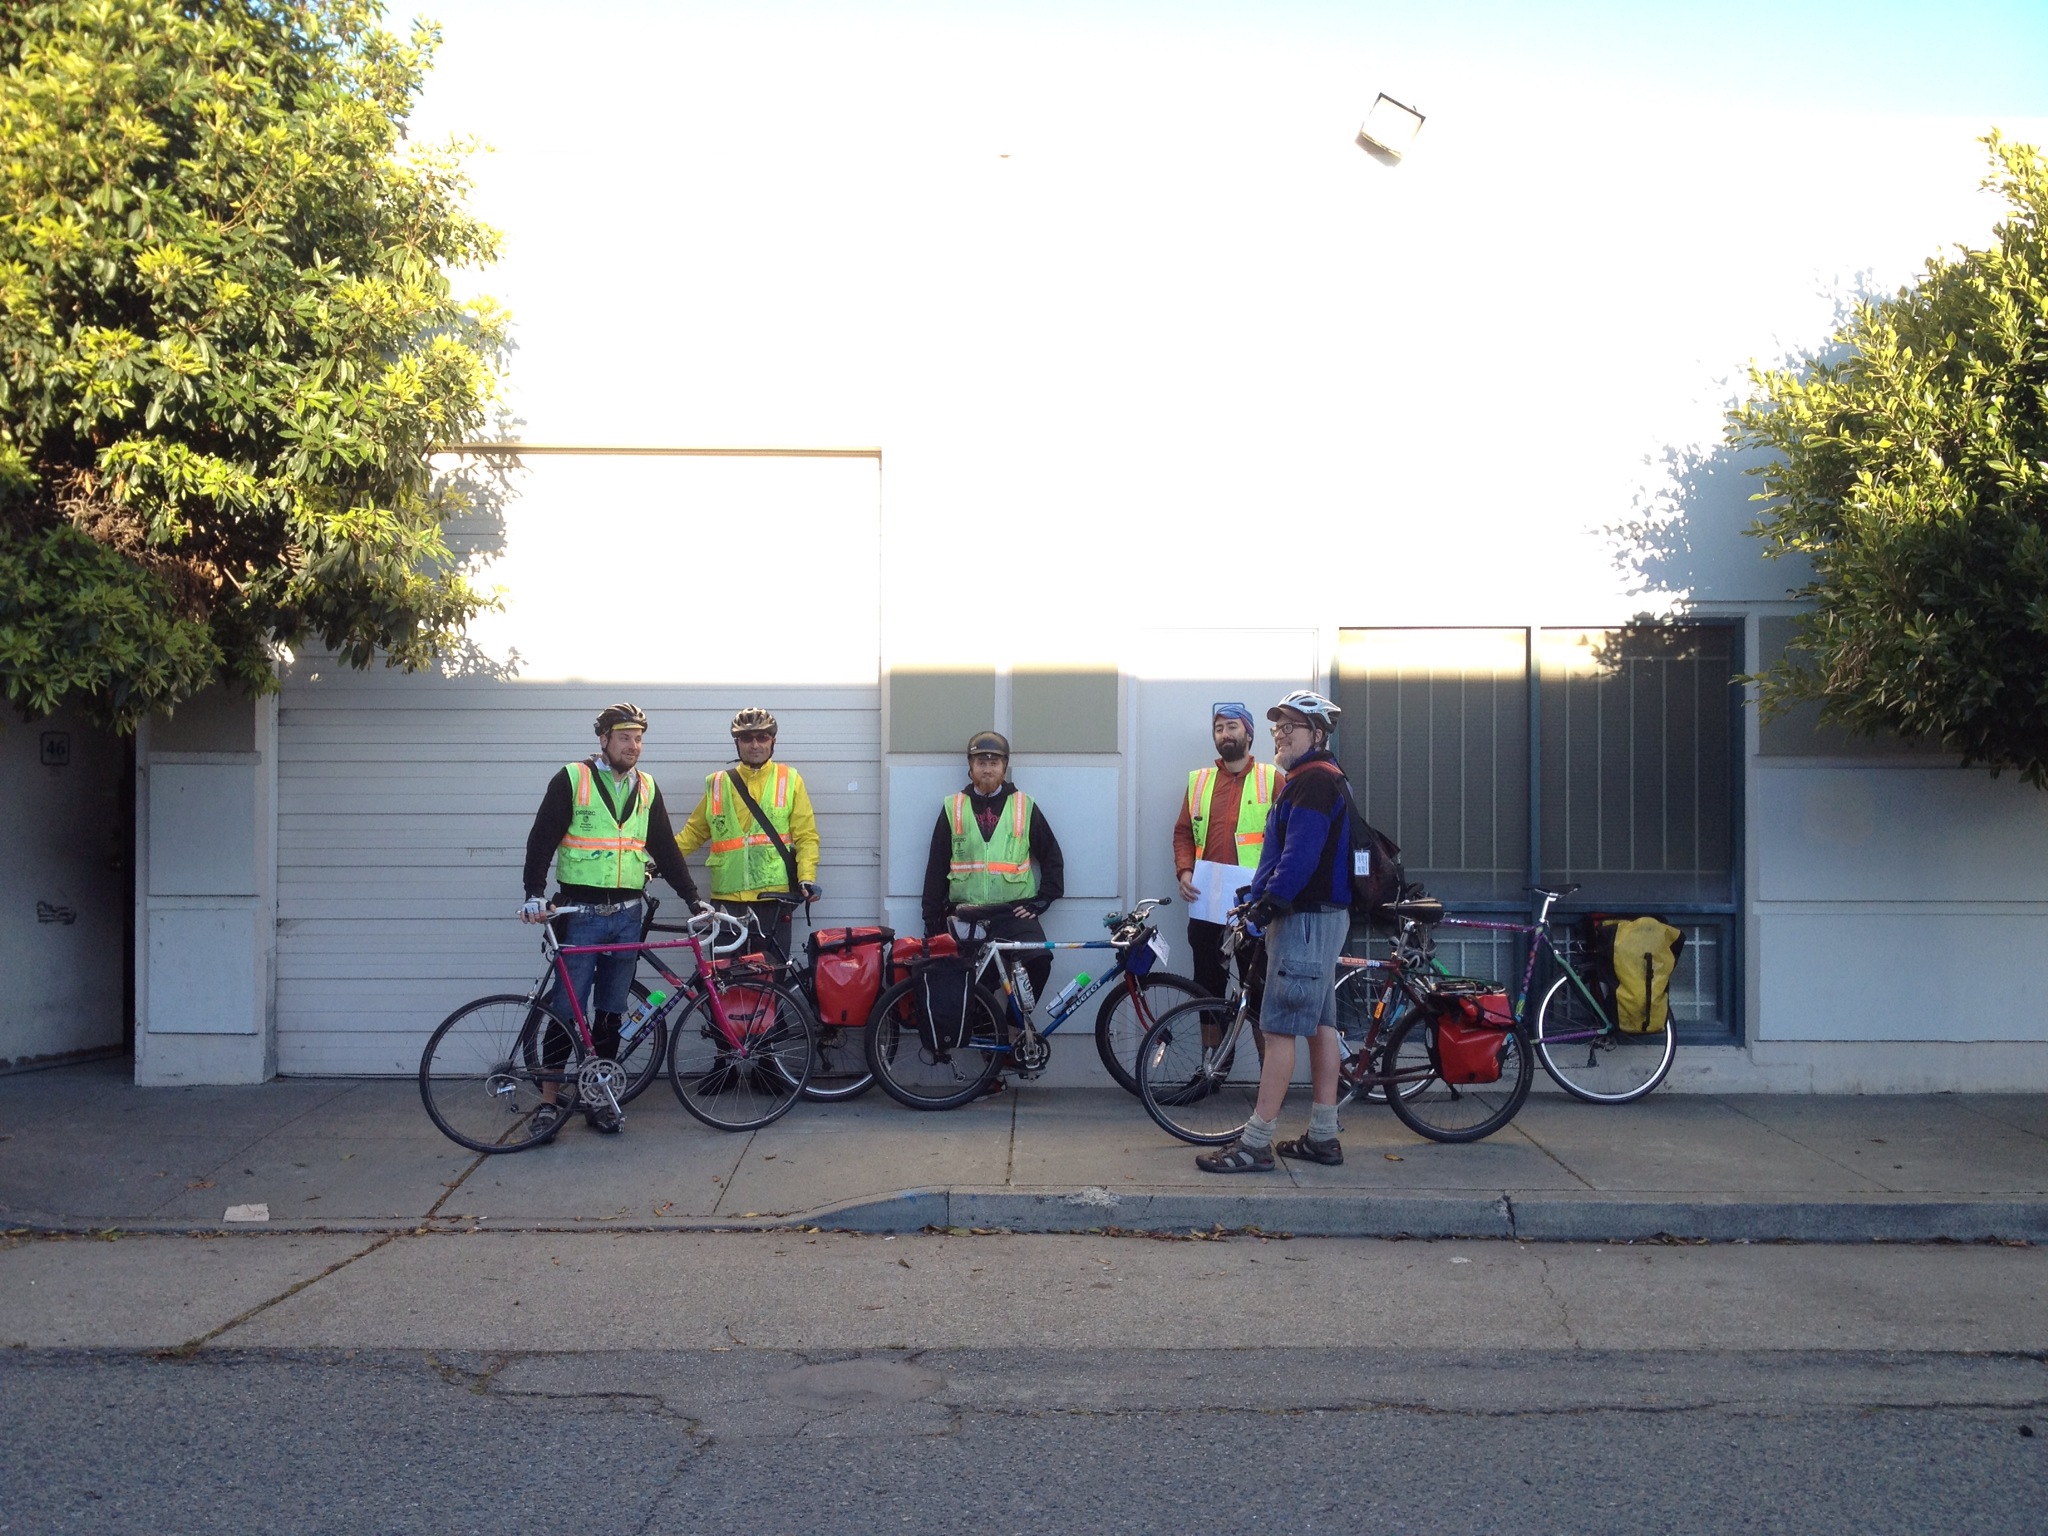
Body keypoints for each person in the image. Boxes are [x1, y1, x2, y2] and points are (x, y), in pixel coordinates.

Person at [520, 702, 702, 1139]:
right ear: (603, 739)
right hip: (579, 914)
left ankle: (598, 1099)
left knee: (610, 1013)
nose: (633, 745)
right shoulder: (572, 779)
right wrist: (533, 894)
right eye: (624, 737)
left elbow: (665, 849)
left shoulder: (647, 786)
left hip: (626, 915)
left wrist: (693, 899)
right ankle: (548, 1104)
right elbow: (541, 840)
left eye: (638, 738)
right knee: (566, 1010)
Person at [1196, 689, 1353, 1173]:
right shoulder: (1318, 779)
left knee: (1279, 1026)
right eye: (1277, 727)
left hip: (1304, 920)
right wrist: (1255, 898)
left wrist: (1265, 909)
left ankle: (1256, 1142)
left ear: (1318, 734)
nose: (1280, 734)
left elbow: (1298, 859)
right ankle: (1323, 1136)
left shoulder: (1311, 783)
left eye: (1291, 726)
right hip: (1319, 917)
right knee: (1322, 1026)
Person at [920, 731, 1065, 1093]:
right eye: (980, 761)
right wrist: (931, 918)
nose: (987, 767)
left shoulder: (1024, 806)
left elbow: (1052, 858)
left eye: (994, 761)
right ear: (969, 767)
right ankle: (992, 1067)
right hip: (966, 916)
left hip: (1013, 913)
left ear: (1004, 766)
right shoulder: (952, 807)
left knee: (1040, 961)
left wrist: (1042, 901)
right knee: (975, 989)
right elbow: (936, 866)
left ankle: (1014, 1034)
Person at [674, 707, 821, 961]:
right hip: (727, 899)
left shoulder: (790, 779)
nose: (754, 745)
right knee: (724, 978)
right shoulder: (718, 783)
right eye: (746, 738)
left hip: (773, 899)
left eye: (762, 737)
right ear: (737, 742)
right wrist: (655, 861)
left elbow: (806, 836)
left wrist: (806, 876)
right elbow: (693, 834)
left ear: (773, 741)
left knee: (771, 977)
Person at [1172, 701, 1282, 1002]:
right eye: (1218, 729)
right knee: (1206, 988)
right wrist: (1184, 871)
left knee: (1258, 991)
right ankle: (1214, 1052)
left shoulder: (1271, 779)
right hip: (1206, 904)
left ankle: (1265, 1052)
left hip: (1254, 905)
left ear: (1249, 734)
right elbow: (1183, 831)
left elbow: (1290, 838)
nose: (1224, 734)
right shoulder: (1199, 782)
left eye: (1232, 726)